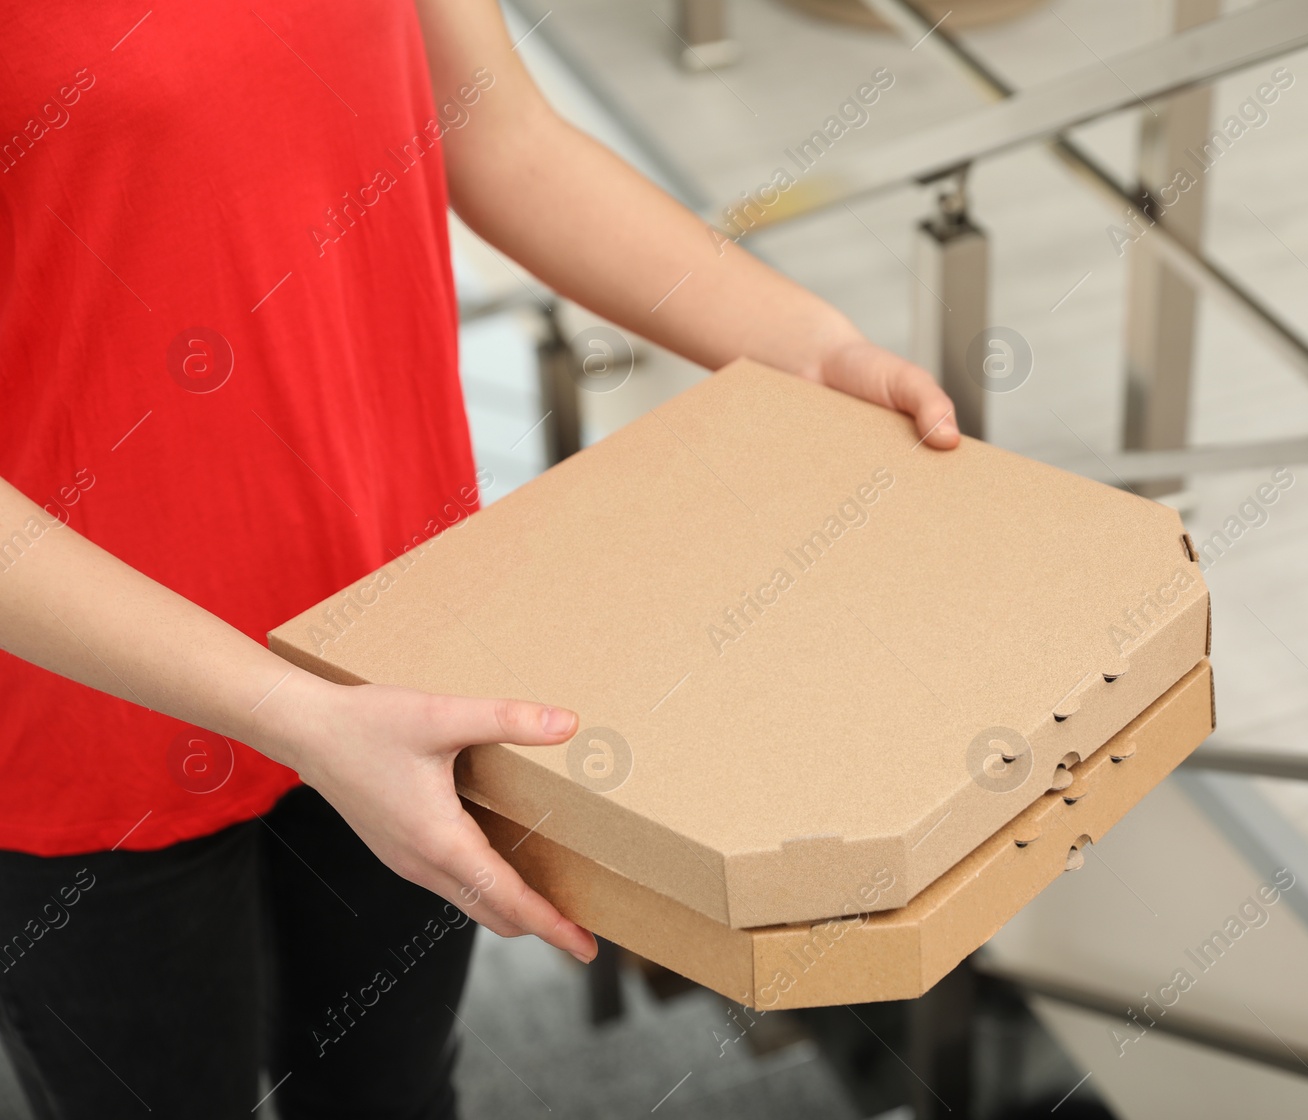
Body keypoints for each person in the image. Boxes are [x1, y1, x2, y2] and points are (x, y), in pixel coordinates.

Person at [0, 1, 959, 1116]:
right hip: (90, 717)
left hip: (399, 642)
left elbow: (500, 136)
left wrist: (809, 345)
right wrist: (290, 713)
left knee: (390, 1090)